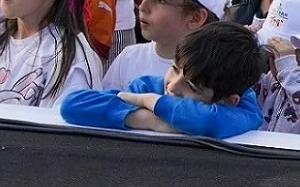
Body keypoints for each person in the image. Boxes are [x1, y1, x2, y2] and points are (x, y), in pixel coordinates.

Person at [62, 20, 265, 134]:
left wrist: (150, 102)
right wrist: (150, 120)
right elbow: (73, 105)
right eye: (175, 69)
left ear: (229, 101)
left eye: (192, 87)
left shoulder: (245, 110)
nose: (173, 86)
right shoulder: (147, 86)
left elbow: (208, 121)